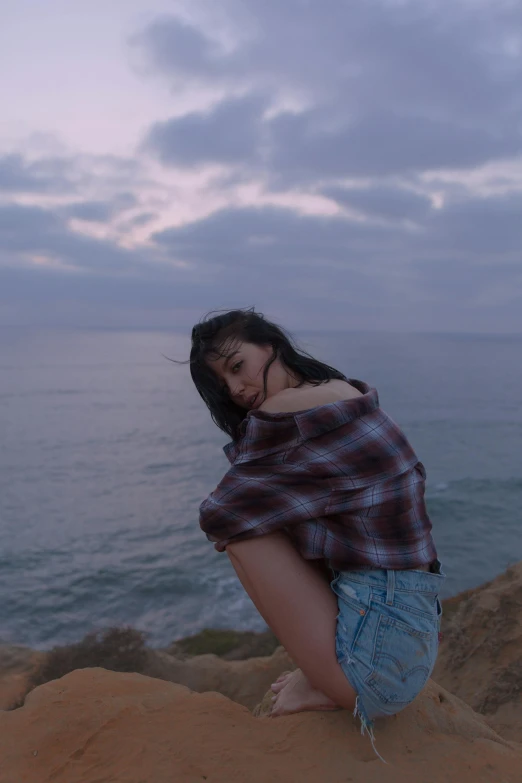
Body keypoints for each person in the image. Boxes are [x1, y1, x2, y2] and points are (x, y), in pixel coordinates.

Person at [186, 307, 444, 756]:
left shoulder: (284, 411)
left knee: (246, 536)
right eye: (224, 385)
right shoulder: (345, 391)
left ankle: (324, 679)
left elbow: (220, 514)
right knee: (290, 518)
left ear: (270, 345)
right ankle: (321, 669)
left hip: (375, 675)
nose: (236, 389)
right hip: (412, 641)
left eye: (236, 366)